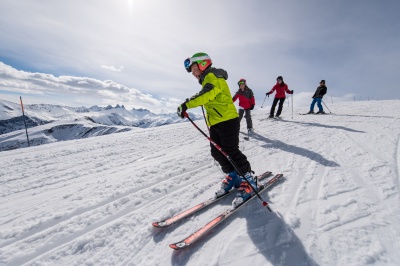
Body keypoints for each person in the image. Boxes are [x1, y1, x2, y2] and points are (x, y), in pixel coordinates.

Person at [177, 52, 257, 206]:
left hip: (228, 120)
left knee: (231, 151)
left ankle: (249, 180)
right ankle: (233, 175)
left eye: (194, 69)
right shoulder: (207, 79)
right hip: (216, 123)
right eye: (192, 71)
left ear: (202, 64)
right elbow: (205, 95)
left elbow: (206, 95)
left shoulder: (214, 77)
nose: (193, 74)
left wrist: (186, 104)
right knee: (216, 152)